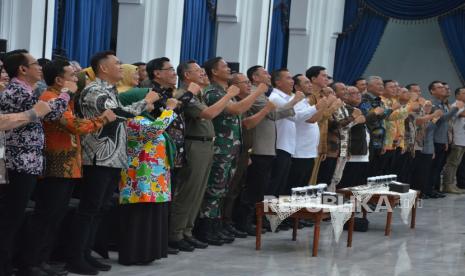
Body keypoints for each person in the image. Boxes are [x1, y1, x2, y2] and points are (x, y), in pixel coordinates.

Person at [17, 59, 116, 276]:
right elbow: (74, 126)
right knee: (45, 216)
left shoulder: (65, 99)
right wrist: (102, 119)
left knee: (55, 217)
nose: (76, 79)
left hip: (68, 165)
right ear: (60, 79)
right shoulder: (51, 97)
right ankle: (30, 263)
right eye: (72, 76)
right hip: (56, 164)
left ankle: (42, 260)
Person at [67, 51, 159, 275]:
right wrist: (146, 102)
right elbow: (117, 114)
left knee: (100, 209)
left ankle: (87, 253)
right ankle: (75, 257)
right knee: (89, 209)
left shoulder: (111, 90)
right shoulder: (93, 90)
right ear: (103, 68)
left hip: (113, 158)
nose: (122, 66)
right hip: (97, 157)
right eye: (117, 63)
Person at [0, 50, 70, 276]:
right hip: (18, 161)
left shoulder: (26, 89)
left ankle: (16, 262)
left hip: (28, 160)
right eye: (34, 64)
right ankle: (6, 265)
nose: (40, 67)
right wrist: (66, 94)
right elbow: (50, 112)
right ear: (22, 69)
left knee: (16, 215)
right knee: (11, 216)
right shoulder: (17, 90)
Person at [169, 60, 237, 251]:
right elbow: (208, 114)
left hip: (206, 144)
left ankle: (187, 232)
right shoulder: (184, 95)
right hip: (195, 144)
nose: (202, 73)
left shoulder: (199, 94)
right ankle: (175, 233)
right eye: (197, 71)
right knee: (188, 191)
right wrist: (229, 95)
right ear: (186, 76)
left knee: (198, 192)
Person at [118, 90, 178, 265]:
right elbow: (154, 131)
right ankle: (135, 253)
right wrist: (169, 110)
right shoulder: (132, 120)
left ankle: (148, 253)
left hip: (154, 175)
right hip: (139, 176)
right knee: (140, 215)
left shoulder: (146, 118)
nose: (152, 100)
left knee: (151, 215)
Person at [442, 87, 465, 194]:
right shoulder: (456, 105)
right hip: (457, 139)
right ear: (457, 95)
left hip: (462, 140)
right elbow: (461, 114)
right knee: (452, 163)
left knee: (456, 163)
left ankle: (452, 184)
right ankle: (447, 185)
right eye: (464, 93)